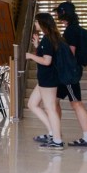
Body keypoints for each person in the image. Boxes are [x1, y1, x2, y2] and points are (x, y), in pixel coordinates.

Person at [50, 2, 87, 147]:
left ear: (64, 14)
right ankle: (55, 133)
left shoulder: (70, 31)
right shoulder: (74, 29)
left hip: (68, 73)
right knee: (54, 102)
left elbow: (70, 53)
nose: (57, 16)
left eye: (59, 13)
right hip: (68, 73)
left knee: (76, 103)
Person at [27, 12, 65, 150]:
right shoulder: (48, 39)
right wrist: (37, 46)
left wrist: (30, 55)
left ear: (42, 23)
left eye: (36, 22)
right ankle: (52, 133)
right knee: (32, 104)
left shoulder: (49, 39)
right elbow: (46, 56)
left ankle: (57, 140)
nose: (35, 24)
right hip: (44, 79)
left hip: (48, 79)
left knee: (50, 109)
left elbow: (47, 61)